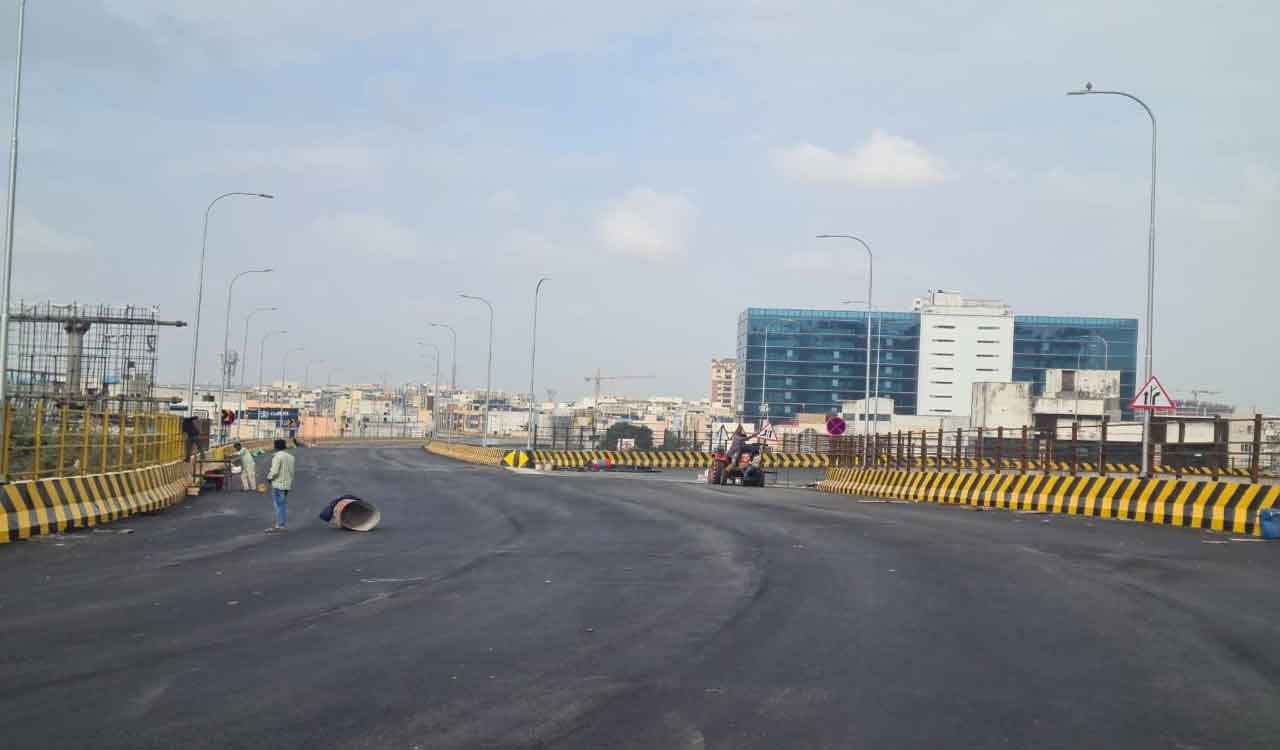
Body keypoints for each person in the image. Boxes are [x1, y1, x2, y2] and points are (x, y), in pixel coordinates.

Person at [265, 439, 296, 533]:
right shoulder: (291, 457)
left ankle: (279, 526)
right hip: (287, 484)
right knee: (282, 505)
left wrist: (269, 478)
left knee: (278, 505)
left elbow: (274, 471)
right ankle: (281, 525)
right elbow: (292, 472)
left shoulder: (277, 457)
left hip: (278, 484)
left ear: (276, 447)